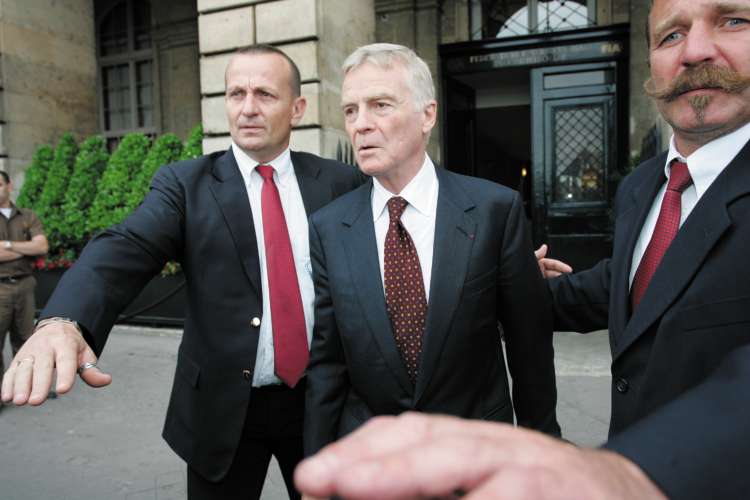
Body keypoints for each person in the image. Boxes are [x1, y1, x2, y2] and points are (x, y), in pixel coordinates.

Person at [1, 45, 361, 499]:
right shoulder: (185, 185)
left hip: (319, 401)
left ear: (297, 107)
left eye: (265, 94)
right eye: (236, 94)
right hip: (222, 407)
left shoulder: (338, 183)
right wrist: (65, 318)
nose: (247, 108)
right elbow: (126, 244)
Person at [303, 43, 560, 457]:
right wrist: (314, 467)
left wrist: (543, 451)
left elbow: (528, 347)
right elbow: (328, 364)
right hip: (373, 459)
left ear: (428, 115)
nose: (360, 125)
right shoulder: (329, 227)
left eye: (380, 105)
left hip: (475, 452)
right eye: (350, 110)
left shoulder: (494, 211)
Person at [0, 171, 48, 407]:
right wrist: (25, 247)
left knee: (26, 338)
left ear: (9, 185)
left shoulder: (27, 216)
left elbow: (42, 246)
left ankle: (28, 388)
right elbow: (33, 246)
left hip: (25, 284)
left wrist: (8, 246)